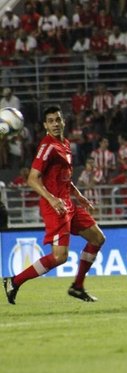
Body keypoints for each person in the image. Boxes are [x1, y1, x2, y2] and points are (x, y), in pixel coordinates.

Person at [3, 106, 106, 305]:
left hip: (67, 203)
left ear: (63, 122)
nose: (56, 124)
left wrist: (78, 196)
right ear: (45, 125)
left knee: (97, 238)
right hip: (55, 207)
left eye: (58, 120)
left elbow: (64, 178)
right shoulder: (47, 146)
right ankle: (14, 281)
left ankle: (77, 286)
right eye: (51, 121)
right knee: (60, 257)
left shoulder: (65, 144)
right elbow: (32, 179)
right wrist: (51, 199)